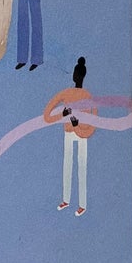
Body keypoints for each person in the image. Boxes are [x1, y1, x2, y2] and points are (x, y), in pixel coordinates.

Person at [42, 57, 95, 216]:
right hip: (69, 134)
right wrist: (62, 115)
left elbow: (93, 123)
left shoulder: (88, 96)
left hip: (82, 135)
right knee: (68, 165)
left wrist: (79, 127)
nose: (77, 77)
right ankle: (66, 200)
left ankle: (82, 205)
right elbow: (47, 116)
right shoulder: (66, 93)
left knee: (81, 167)